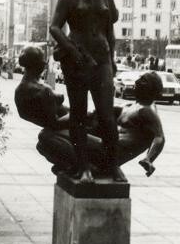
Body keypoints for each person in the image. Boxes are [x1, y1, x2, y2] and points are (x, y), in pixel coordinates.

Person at [49, 0, 119, 184]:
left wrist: (112, 60)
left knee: (107, 116)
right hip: (77, 60)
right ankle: (83, 167)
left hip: (101, 60)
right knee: (78, 114)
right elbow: (55, 27)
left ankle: (112, 165)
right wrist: (70, 49)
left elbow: (110, 32)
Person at [35, 72, 166, 180]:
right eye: (139, 78)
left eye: (143, 81)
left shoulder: (147, 110)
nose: (137, 82)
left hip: (108, 151)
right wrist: (61, 109)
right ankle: (85, 167)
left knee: (46, 136)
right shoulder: (130, 106)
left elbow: (159, 137)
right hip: (105, 146)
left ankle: (85, 167)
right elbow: (93, 114)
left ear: (153, 89)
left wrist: (149, 159)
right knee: (43, 144)